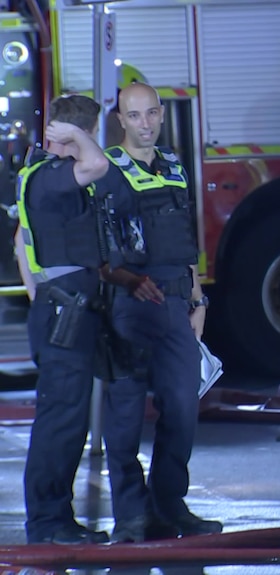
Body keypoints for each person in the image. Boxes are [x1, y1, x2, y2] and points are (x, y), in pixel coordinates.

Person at [97, 82, 221, 542]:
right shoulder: (106, 169)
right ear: (120, 120)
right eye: (135, 116)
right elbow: (99, 249)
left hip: (174, 304)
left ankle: (170, 505)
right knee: (125, 417)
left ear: (162, 116)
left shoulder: (173, 166)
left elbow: (185, 241)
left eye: (152, 114)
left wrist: (198, 300)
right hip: (129, 305)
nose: (145, 124)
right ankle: (130, 516)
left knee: (183, 410)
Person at [16, 95, 111, 544]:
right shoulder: (54, 175)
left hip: (60, 306)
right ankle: (48, 522)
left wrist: (41, 296)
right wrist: (76, 136)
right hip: (64, 312)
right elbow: (96, 165)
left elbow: (20, 242)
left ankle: (56, 519)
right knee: (62, 420)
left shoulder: (43, 178)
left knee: (68, 418)